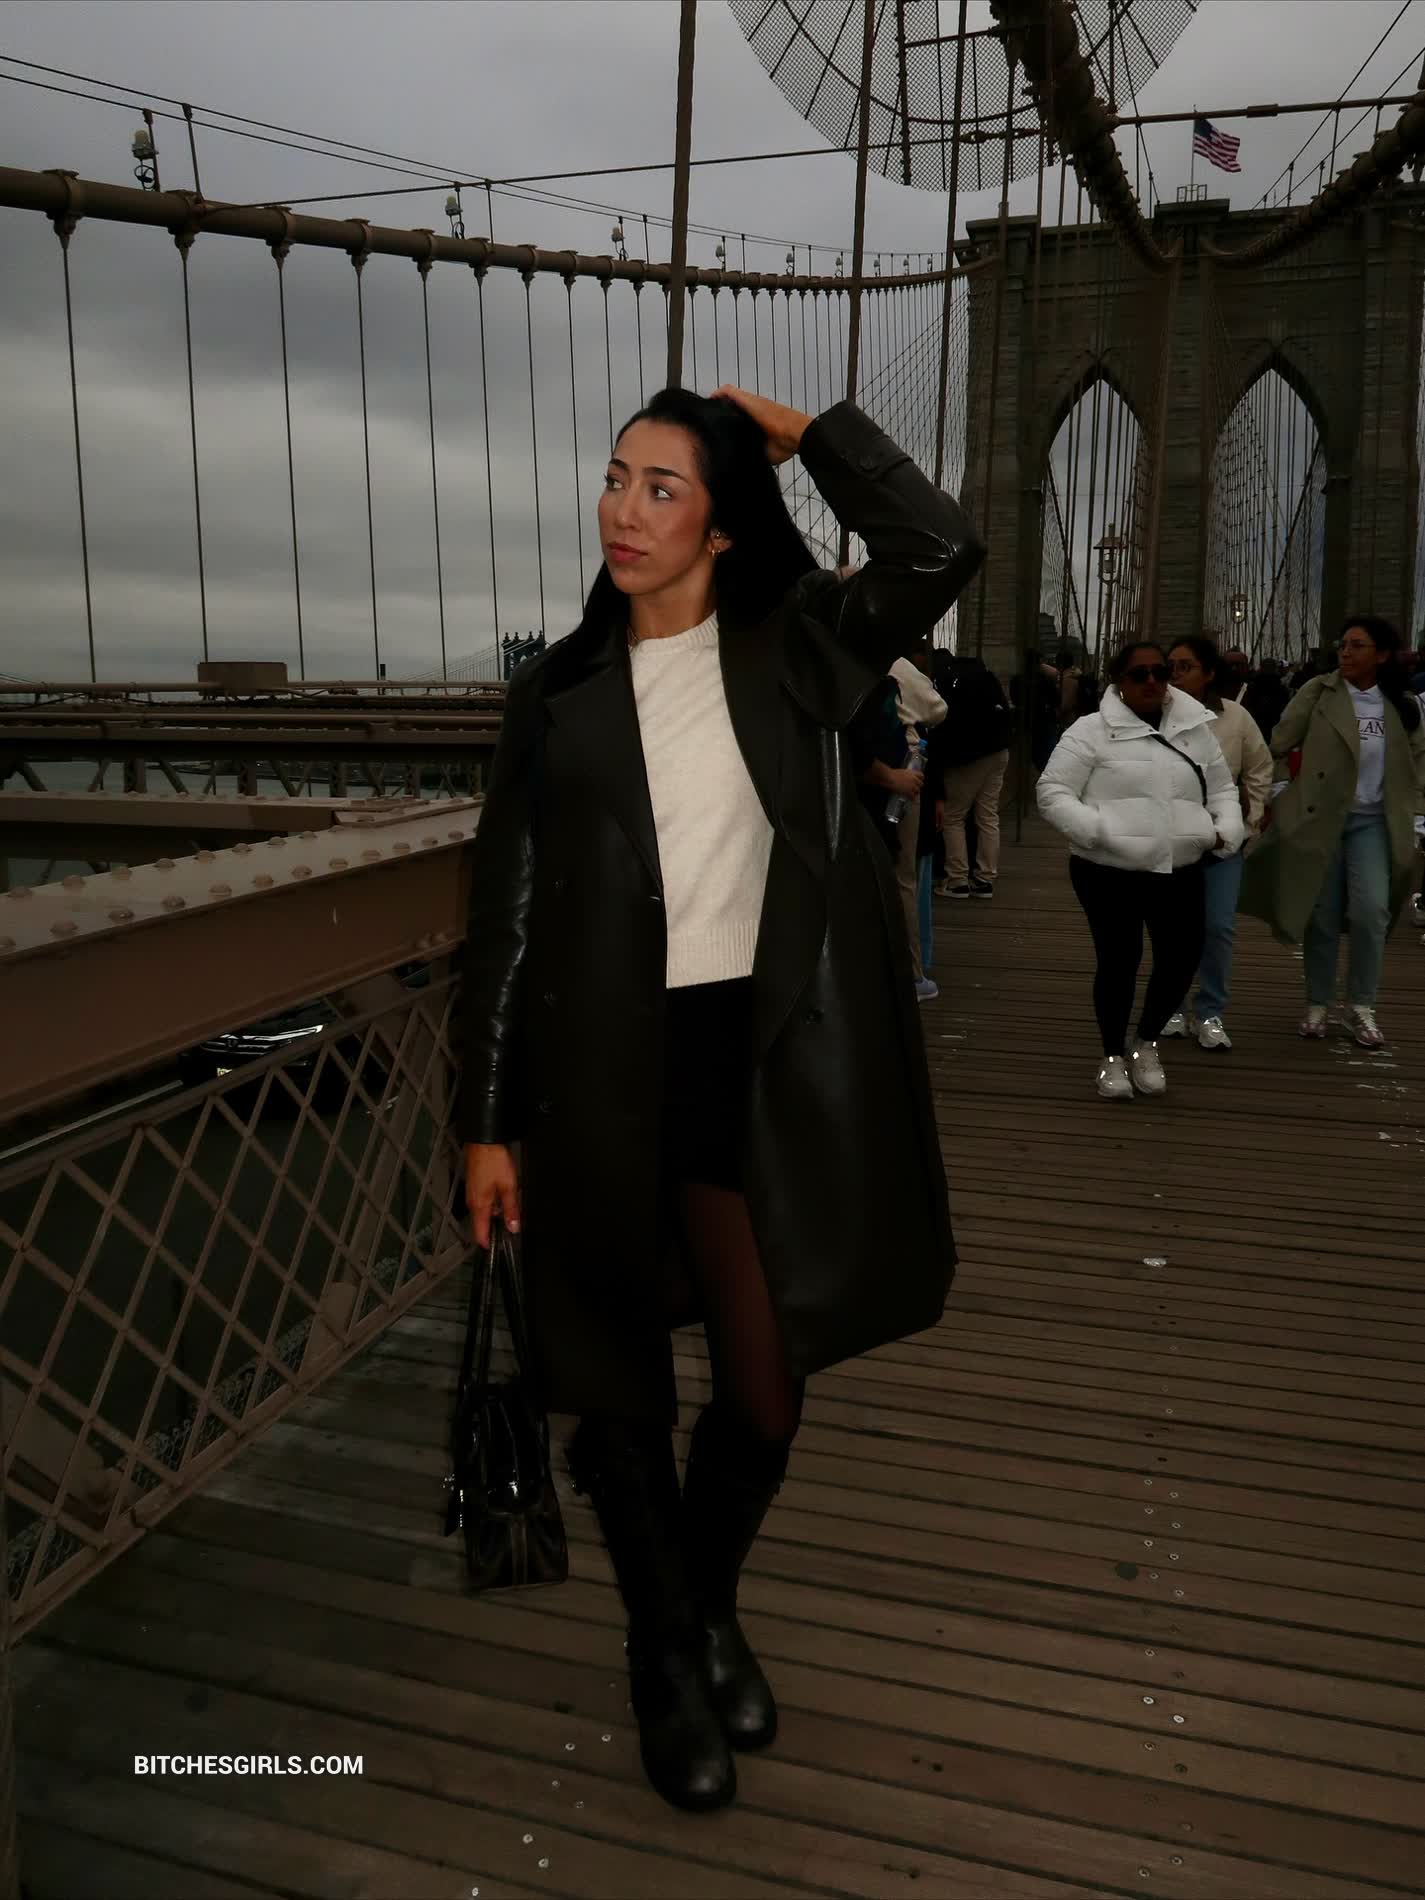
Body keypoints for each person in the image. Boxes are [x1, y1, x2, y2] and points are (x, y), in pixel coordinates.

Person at [458, 384, 982, 1812]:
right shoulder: (555, 695)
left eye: (662, 488)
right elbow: (506, 919)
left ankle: (695, 1603)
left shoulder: (799, 643)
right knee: (616, 1381)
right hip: (591, 1076)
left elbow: (939, 545)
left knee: (762, 1388)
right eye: (614, 478)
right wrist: (484, 1122)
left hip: (753, 1065)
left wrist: (814, 435)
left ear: (726, 524)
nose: (622, 511)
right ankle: (666, 1655)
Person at [1036, 641, 1244, 1099]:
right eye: (1139, 674)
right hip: (1107, 870)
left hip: (1180, 866)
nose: (1152, 681)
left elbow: (1222, 789)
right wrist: (1097, 830)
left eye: (1160, 672)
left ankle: (1145, 1042)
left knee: (1182, 958)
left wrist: (1224, 830)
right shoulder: (1090, 731)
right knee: (1119, 961)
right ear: (1118, 681)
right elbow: (1052, 792)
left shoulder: (1195, 729)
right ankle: (1112, 1055)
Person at [1240, 614, 1425, 1047]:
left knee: (1371, 911)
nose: (1346, 652)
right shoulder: (1318, 692)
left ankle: (1361, 1006)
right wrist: (1282, 794)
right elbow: (1278, 745)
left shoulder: (1403, 705)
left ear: (1382, 655)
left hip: (1374, 821)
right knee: (1322, 914)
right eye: (1343, 644)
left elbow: (1419, 765)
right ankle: (1318, 1003)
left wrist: (1416, 816)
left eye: (1357, 645)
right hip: (1320, 818)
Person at [1160, 636, 1274, 1050]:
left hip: (1223, 840)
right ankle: (1170, 1006)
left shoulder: (1236, 717)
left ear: (1209, 673)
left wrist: (1249, 820)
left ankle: (1209, 1011)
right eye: (1171, 665)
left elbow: (1260, 767)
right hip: (1171, 841)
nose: (1175, 674)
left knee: (1219, 926)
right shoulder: (1153, 715)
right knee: (1172, 929)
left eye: (1186, 666)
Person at [887, 644, 947, 999]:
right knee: (903, 878)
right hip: (902, 771)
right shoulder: (896, 664)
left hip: (852, 773)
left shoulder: (837, 651)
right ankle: (911, 975)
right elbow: (938, 709)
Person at [934, 652, 1011, 898]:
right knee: (987, 816)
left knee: (953, 817)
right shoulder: (988, 678)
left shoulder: (948, 680)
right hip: (999, 752)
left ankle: (957, 881)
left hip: (969, 757)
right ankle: (985, 879)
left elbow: (942, 722)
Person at [1242, 655, 1289, 738]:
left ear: (1261, 668)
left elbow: (1247, 707)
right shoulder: (1281, 688)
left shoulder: (1252, 686)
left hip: (1255, 726)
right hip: (1274, 727)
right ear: (1275, 669)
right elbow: (1285, 710)